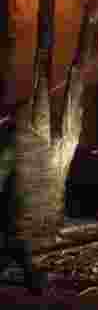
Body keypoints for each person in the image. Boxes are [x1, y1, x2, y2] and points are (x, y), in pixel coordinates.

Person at [0, 106, 47, 296]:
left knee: (13, 241)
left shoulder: (12, 138)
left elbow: (3, 169)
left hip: (10, 198)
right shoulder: (31, 138)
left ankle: (33, 279)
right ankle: (33, 278)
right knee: (12, 240)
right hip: (20, 198)